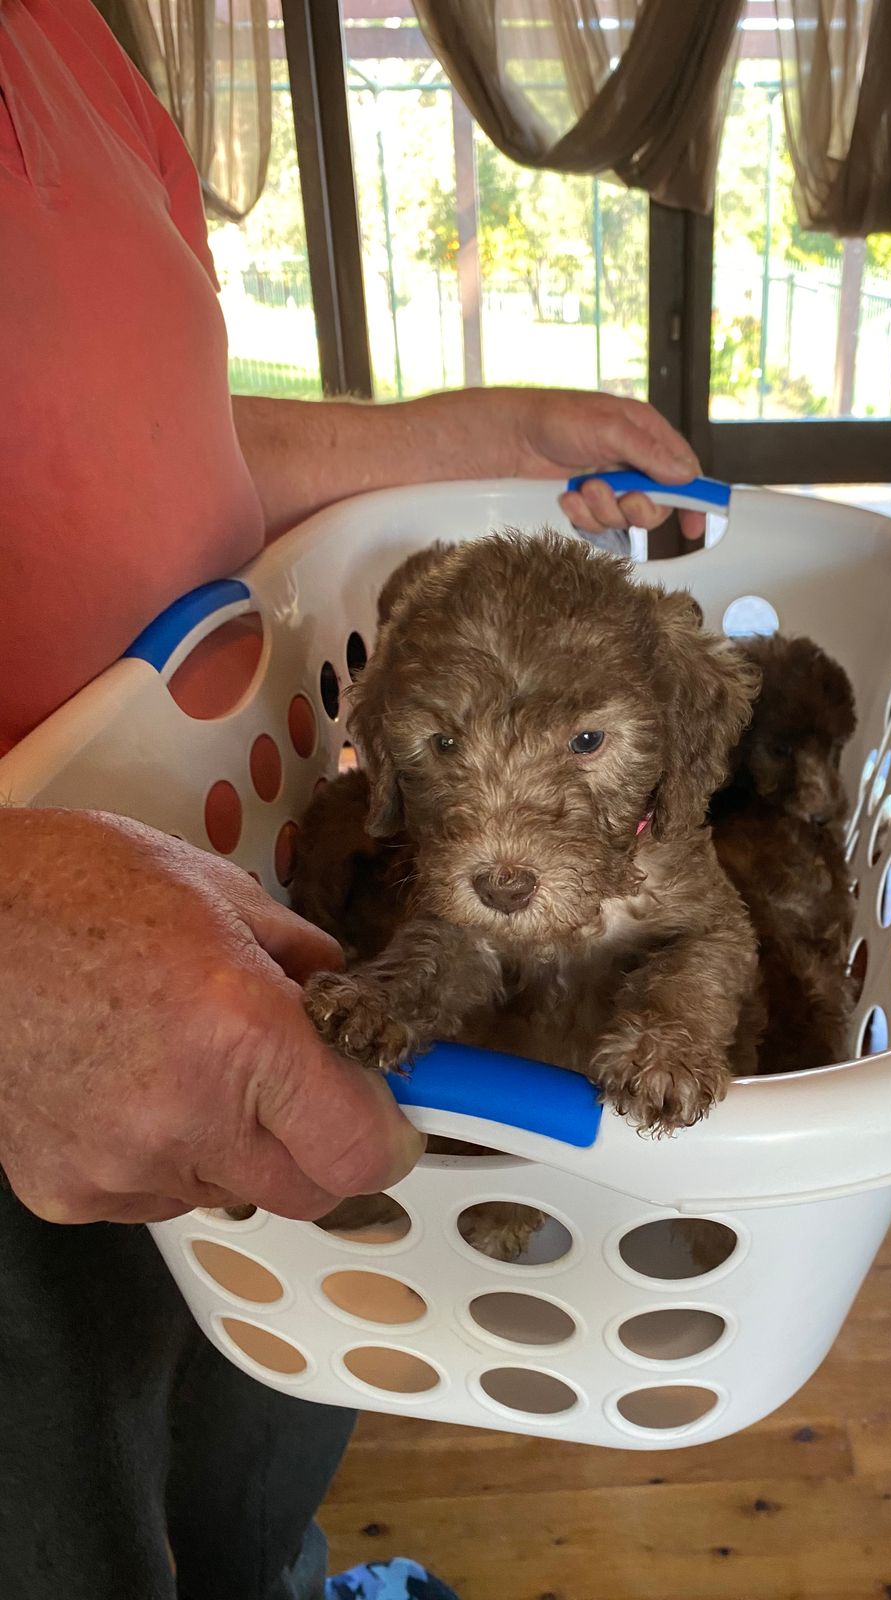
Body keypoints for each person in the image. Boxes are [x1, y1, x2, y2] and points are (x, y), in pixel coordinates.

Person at [0, 4, 707, 1597]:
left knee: (266, 1406)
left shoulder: (79, 39)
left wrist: (485, 437)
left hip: (220, 903)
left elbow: (152, 443)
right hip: (34, 1023)